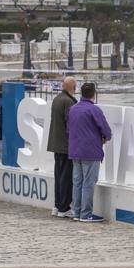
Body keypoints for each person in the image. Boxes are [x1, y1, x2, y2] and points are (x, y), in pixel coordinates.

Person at [68, 82, 111, 223]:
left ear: (81, 93)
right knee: (88, 183)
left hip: (75, 150)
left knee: (77, 182)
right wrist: (106, 137)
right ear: (94, 94)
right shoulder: (94, 110)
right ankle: (86, 214)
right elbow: (105, 129)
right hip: (90, 151)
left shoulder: (73, 109)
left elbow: (68, 129)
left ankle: (76, 211)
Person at [47, 77, 77, 218]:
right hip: (65, 145)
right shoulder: (68, 101)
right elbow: (71, 124)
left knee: (59, 176)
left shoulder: (57, 99)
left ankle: (57, 205)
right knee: (66, 178)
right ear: (73, 87)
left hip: (56, 144)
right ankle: (64, 208)